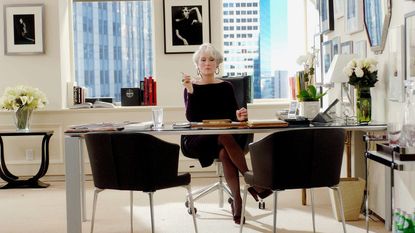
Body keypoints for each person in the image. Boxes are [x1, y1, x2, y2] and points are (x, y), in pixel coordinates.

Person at [181, 43, 271, 225]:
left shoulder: (226, 87)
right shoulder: (190, 87)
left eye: (211, 59)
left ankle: (237, 200)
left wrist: (240, 115)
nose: (207, 63)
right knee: (223, 136)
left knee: (223, 150)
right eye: (203, 59)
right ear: (197, 64)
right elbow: (191, 118)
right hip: (198, 139)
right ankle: (251, 180)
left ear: (217, 64)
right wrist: (191, 91)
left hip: (225, 139)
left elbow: (233, 117)